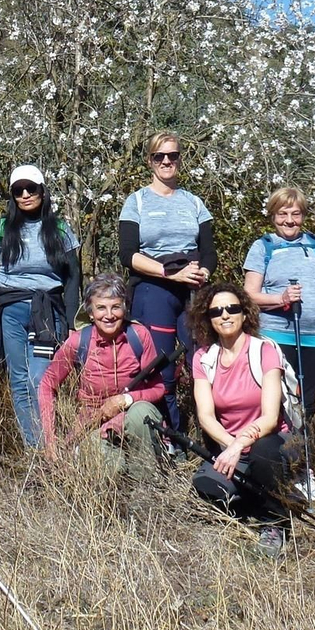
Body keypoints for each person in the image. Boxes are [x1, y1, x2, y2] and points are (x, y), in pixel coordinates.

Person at [186, 283, 307, 553]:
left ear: (244, 314)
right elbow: (206, 417)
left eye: (232, 308)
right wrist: (232, 447)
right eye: (216, 311)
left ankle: (274, 522)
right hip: (232, 445)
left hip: (274, 440)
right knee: (207, 487)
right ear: (208, 318)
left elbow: (270, 418)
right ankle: (268, 493)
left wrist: (238, 446)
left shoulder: (264, 350)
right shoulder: (203, 358)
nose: (225, 315)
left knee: (263, 453)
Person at [0, 165, 83, 449]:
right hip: (10, 311)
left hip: (47, 310)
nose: (25, 195)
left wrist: (72, 322)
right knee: (19, 380)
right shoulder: (1, 229)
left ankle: (50, 445)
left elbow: (73, 278)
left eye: (31, 188)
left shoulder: (60, 229)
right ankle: (34, 449)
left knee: (40, 378)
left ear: (42, 191)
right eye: (18, 190)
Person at [118, 132, 216, 428]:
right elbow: (128, 254)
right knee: (160, 368)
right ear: (149, 161)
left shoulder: (194, 202)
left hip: (192, 289)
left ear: (179, 159)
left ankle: (209, 436)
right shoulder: (136, 201)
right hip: (154, 288)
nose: (166, 161)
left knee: (202, 363)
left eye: (172, 155)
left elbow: (209, 252)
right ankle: (166, 435)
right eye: (159, 156)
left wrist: (202, 273)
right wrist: (168, 272)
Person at [241, 186, 315, 500]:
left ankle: (305, 469)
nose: (289, 220)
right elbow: (249, 294)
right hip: (276, 335)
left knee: (308, 404)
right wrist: (280, 299)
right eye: (282, 214)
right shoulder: (263, 246)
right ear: (273, 216)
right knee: (281, 404)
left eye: (295, 214)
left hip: (314, 336)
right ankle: (280, 469)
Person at [36, 273, 165, 476]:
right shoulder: (79, 341)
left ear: (125, 308)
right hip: (92, 426)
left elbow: (158, 388)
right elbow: (46, 385)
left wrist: (126, 399)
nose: (109, 315)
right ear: (90, 312)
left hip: (131, 418)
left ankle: (146, 484)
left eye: (116, 307)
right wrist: (50, 441)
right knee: (113, 468)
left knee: (142, 412)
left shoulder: (139, 336)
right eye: (101, 308)